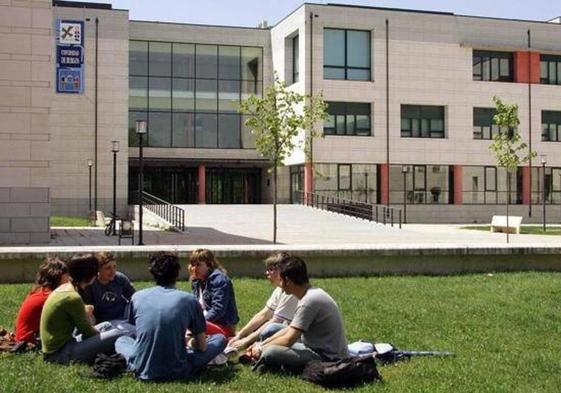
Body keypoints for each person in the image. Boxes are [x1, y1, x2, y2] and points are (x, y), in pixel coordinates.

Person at [115, 252, 227, 381]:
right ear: (177, 273)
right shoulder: (189, 300)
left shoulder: (137, 297)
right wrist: (190, 342)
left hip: (142, 366)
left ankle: (140, 361)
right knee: (220, 339)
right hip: (178, 368)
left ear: (152, 273)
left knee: (122, 340)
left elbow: (138, 329)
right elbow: (202, 346)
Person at [249, 253, 349, 374]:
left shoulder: (308, 301)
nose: (279, 285)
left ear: (288, 281)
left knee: (271, 352)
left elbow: (288, 340)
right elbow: (289, 329)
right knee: (274, 329)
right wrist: (262, 344)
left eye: (280, 280)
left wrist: (262, 349)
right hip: (312, 345)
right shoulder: (310, 294)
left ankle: (263, 363)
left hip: (326, 357)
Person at [40, 254, 125, 364]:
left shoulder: (66, 288)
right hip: (60, 354)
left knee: (107, 326)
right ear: (90, 276)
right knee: (118, 334)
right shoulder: (73, 297)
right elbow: (88, 332)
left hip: (66, 343)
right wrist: (104, 338)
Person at [227, 252, 298, 352]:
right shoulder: (280, 289)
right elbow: (264, 314)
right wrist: (240, 335)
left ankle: (258, 346)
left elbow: (275, 321)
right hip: (286, 329)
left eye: (271, 269)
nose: (267, 273)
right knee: (265, 329)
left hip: (299, 336)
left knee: (270, 329)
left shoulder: (290, 292)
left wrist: (246, 341)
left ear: (282, 270)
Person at [14, 257, 69, 344]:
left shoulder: (39, 291)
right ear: (60, 276)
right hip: (31, 340)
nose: (69, 279)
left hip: (24, 337)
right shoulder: (51, 297)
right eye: (67, 276)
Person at [189, 249, 239, 337]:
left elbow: (218, 309)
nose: (194, 268)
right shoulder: (196, 281)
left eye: (198, 265)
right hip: (205, 322)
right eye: (193, 265)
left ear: (209, 265)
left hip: (222, 325)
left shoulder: (219, 280)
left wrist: (198, 322)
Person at [85, 252, 135, 323]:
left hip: (122, 319)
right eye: (108, 268)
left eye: (114, 267)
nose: (113, 271)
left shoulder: (120, 278)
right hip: (101, 323)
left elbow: (134, 298)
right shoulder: (91, 283)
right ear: (98, 269)